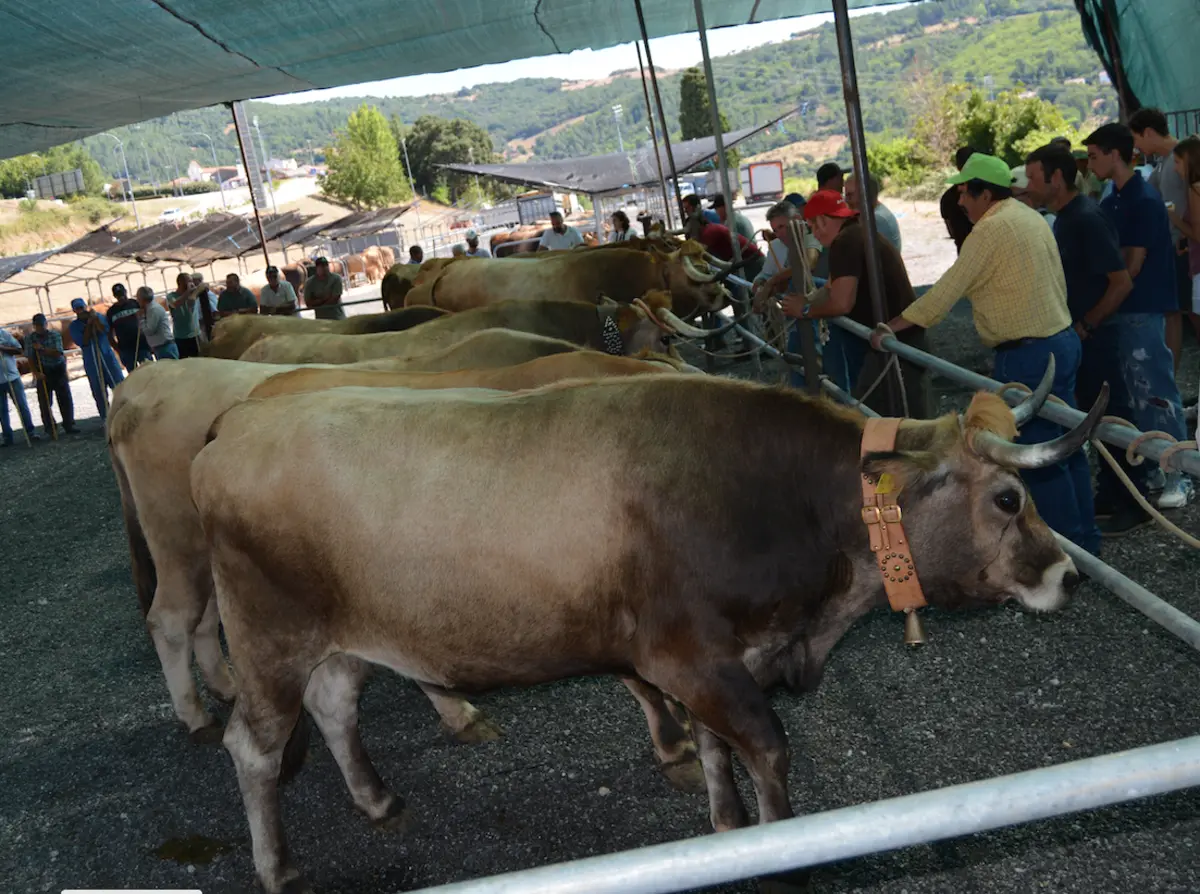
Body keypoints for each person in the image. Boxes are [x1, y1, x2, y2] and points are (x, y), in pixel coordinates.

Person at [871, 151, 1099, 555]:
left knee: (1039, 456)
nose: (960, 202)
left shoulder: (991, 229)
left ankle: (1066, 550)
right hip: (1059, 341)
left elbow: (947, 290)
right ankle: (1086, 542)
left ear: (983, 193)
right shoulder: (1028, 215)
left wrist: (895, 325)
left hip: (1028, 354)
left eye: (964, 193)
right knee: (1067, 444)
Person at [1025, 144, 1141, 534]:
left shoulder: (1086, 218)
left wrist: (1087, 325)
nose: (1028, 186)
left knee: (1113, 416)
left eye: (1032, 178)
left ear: (1055, 179)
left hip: (1099, 337)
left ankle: (1134, 500)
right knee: (1092, 419)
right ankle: (1111, 492)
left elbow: (1120, 282)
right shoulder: (1065, 218)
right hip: (1082, 338)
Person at [1085, 122, 1191, 512]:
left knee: (1157, 394)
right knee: (1135, 395)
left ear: (1115, 154)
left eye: (1095, 155)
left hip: (1140, 308)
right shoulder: (1114, 197)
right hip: (1124, 310)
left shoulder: (1141, 199)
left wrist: (1105, 301)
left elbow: (1132, 264)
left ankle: (1181, 473)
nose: (1090, 163)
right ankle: (1154, 467)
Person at [775, 190, 930, 418]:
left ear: (824, 220)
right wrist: (807, 300)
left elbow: (841, 303)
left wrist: (805, 309)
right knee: (896, 413)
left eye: (813, 226)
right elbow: (830, 287)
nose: (814, 234)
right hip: (897, 336)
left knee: (879, 416)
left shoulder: (844, 243)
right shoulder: (857, 233)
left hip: (895, 341)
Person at [1131, 108, 1200, 368]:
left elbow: (1179, 208)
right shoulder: (1166, 161)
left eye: (1136, 138)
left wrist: (1180, 235)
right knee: (1180, 312)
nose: (1136, 146)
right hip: (1181, 245)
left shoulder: (1178, 160)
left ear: (1148, 132)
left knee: (1186, 313)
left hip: (1183, 247)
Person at [68, 297, 123, 420]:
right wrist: (88, 325)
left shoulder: (98, 316)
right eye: (77, 309)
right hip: (92, 361)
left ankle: (125, 413)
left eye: (82, 307)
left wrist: (95, 319)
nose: (81, 311)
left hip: (107, 357)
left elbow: (104, 330)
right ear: (74, 311)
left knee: (119, 385)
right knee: (99, 392)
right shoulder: (74, 326)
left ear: (85, 307)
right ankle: (106, 418)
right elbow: (84, 341)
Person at [24, 314, 76, 436]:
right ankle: (50, 427)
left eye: (42, 325)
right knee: (44, 402)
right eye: (37, 326)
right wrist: (36, 373)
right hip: (42, 370)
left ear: (46, 324)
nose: (40, 328)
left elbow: (58, 352)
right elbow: (30, 357)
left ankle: (69, 424)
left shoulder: (54, 335)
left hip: (58, 368)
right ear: (34, 326)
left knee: (64, 398)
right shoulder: (30, 339)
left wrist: (41, 349)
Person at [1170, 137, 1200, 329]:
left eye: (1177, 162)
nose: (1175, 168)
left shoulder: (1195, 189)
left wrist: (1174, 219)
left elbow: (1198, 234)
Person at [844, 172, 902, 252]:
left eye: (850, 195)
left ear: (865, 193)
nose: (846, 200)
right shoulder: (876, 213)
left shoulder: (876, 219)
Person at [0, 327, 38, 446]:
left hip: (12, 377)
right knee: (2, 411)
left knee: (22, 405)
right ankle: (7, 437)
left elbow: (18, 349)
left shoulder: (3, 334)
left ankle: (30, 432)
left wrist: (2, 348)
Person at [106, 283, 151, 372]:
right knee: (133, 376)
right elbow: (109, 334)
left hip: (142, 345)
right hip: (126, 350)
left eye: (122, 294)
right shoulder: (111, 312)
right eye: (118, 295)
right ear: (115, 296)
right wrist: (118, 350)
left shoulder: (136, 303)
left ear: (126, 292)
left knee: (149, 371)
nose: (121, 297)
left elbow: (148, 319)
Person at [940, 147, 977, 254]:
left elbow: (951, 232)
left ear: (958, 167)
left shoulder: (947, 198)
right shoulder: (991, 194)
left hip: (964, 255)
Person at [137, 286, 178, 360]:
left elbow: (150, 330)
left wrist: (141, 318)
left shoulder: (154, 310)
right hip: (160, 347)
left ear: (142, 299)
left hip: (165, 347)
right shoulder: (149, 309)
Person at [167, 273, 203, 357]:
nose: (192, 283)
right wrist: (188, 292)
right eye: (189, 281)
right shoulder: (171, 296)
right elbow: (175, 304)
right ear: (181, 283)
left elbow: (204, 286)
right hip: (181, 336)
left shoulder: (194, 293)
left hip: (195, 334)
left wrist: (196, 291)